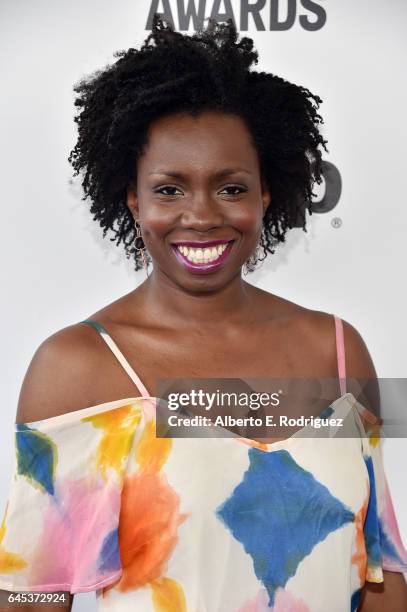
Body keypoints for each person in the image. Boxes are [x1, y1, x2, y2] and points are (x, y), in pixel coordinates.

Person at [0, 13, 406, 612]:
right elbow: (30, 598)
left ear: (266, 193)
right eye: (169, 189)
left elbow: (381, 570)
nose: (201, 215)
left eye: (231, 187)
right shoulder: (78, 365)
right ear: (132, 198)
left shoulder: (339, 348)